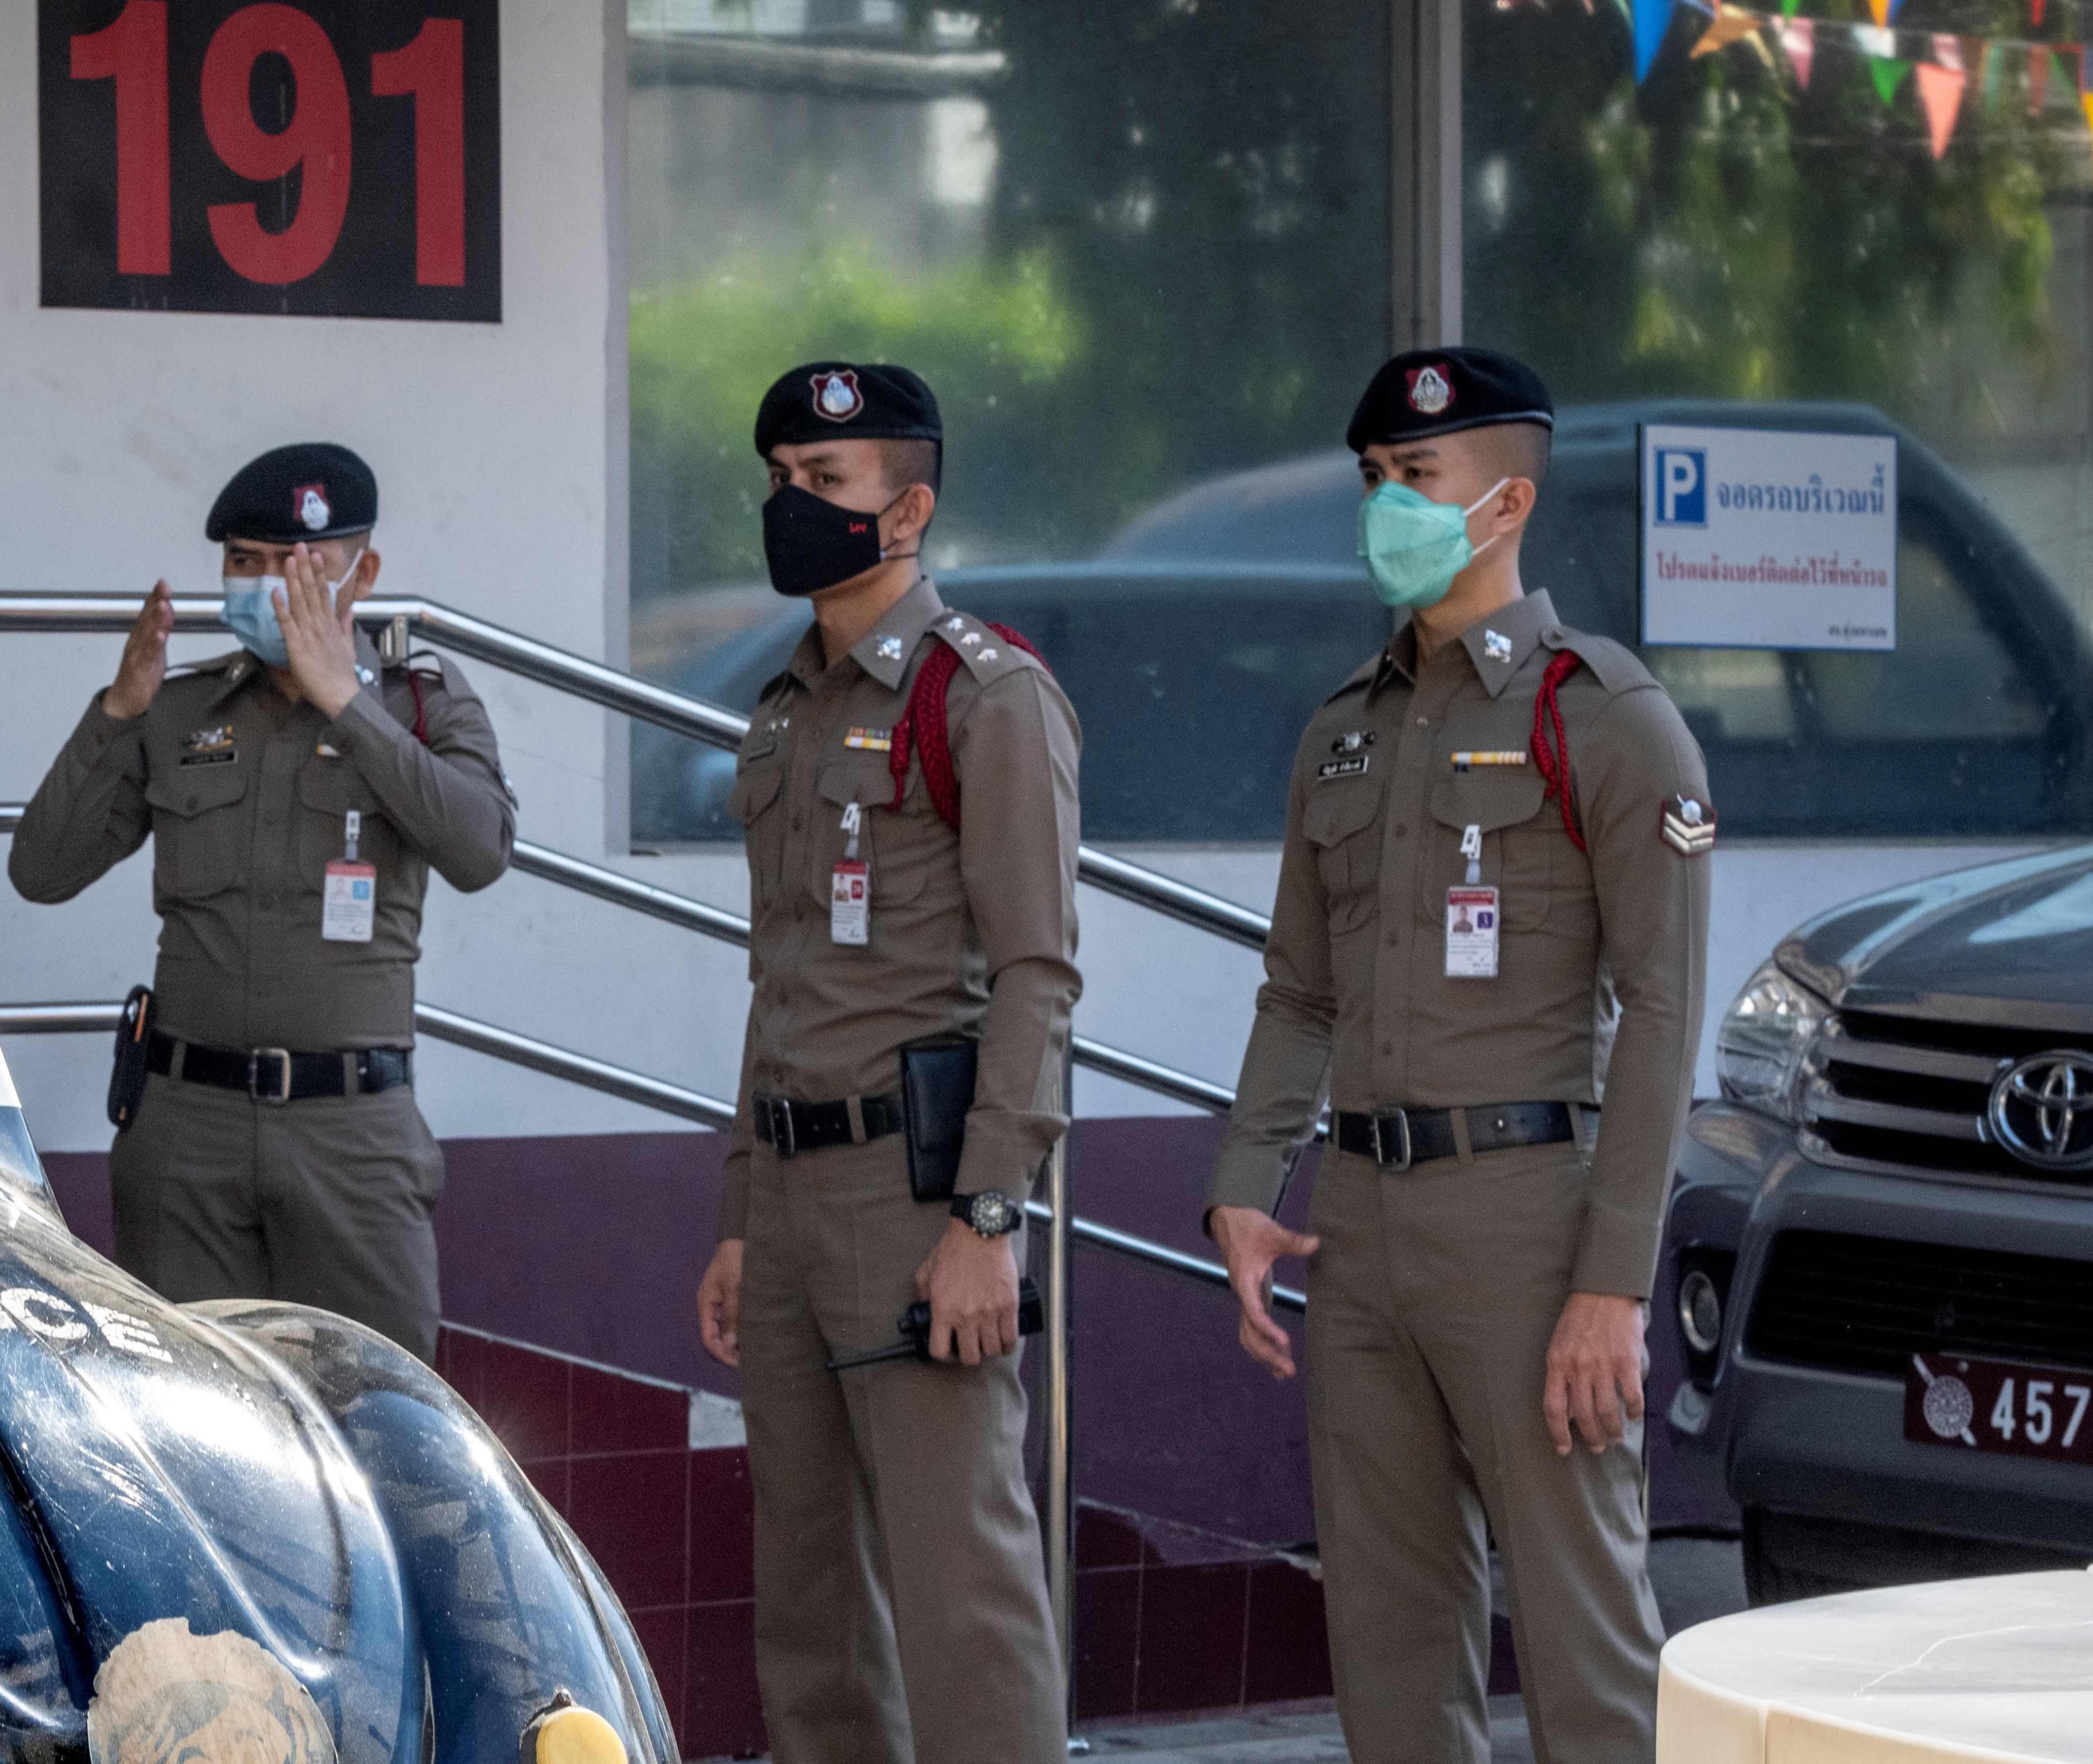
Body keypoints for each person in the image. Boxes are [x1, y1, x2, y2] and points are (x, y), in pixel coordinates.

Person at [1205, 348, 1712, 1764]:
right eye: (1374, 478)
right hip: (1360, 1229)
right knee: (1390, 1637)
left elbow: (1663, 1011)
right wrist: (1248, 1183)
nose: (1387, 505)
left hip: (1531, 1228)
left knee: (1582, 1636)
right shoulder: (1342, 734)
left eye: (1415, 477)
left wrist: (1612, 1282)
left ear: (1506, 500)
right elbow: (1298, 989)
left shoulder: (1606, 717)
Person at [691, 362, 1081, 1764]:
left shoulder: (986, 698)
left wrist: (991, 1216)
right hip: (793, 1204)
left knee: (960, 1596)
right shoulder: (787, 706)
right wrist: (742, 1213)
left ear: (908, 507)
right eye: (781, 477)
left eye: (825, 483)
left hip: (919, 1206)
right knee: (809, 1609)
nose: (788, 504)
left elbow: (1039, 972)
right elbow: (779, 977)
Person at [10, 443, 515, 1360]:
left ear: (362, 572)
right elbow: (41, 869)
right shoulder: (183, 708)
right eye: (246, 562)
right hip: (184, 1127)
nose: (269, 584)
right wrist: (119, 711)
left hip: (350, 1137)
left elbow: (481, 850)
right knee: (184, 1424)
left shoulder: (421, 704)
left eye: (300, 564)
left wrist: (345, 704)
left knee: (373, 1422)